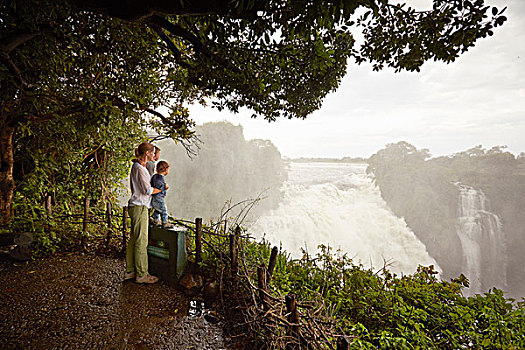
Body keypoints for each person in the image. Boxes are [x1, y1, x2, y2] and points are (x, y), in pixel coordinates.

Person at [125, 142, 162, 284]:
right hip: (140, 207)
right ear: (147, 153)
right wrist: (160, 190)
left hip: (136, 206)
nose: (154, 155)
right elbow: (147, 190)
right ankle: (142, 274)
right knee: (141, 241)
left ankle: (130, 271)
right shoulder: (139, 168)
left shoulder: (138, 167)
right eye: (153, 153)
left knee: (134, 239)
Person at [150, 160, 173, 228]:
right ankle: (164, 222)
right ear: (166, 170)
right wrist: (165, 186)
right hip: (159, 198)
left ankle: (156, 221)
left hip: (154, 198)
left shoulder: (154, 176)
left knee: (157, 210)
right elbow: (159, 186)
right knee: (163, 210)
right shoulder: (159, 178)